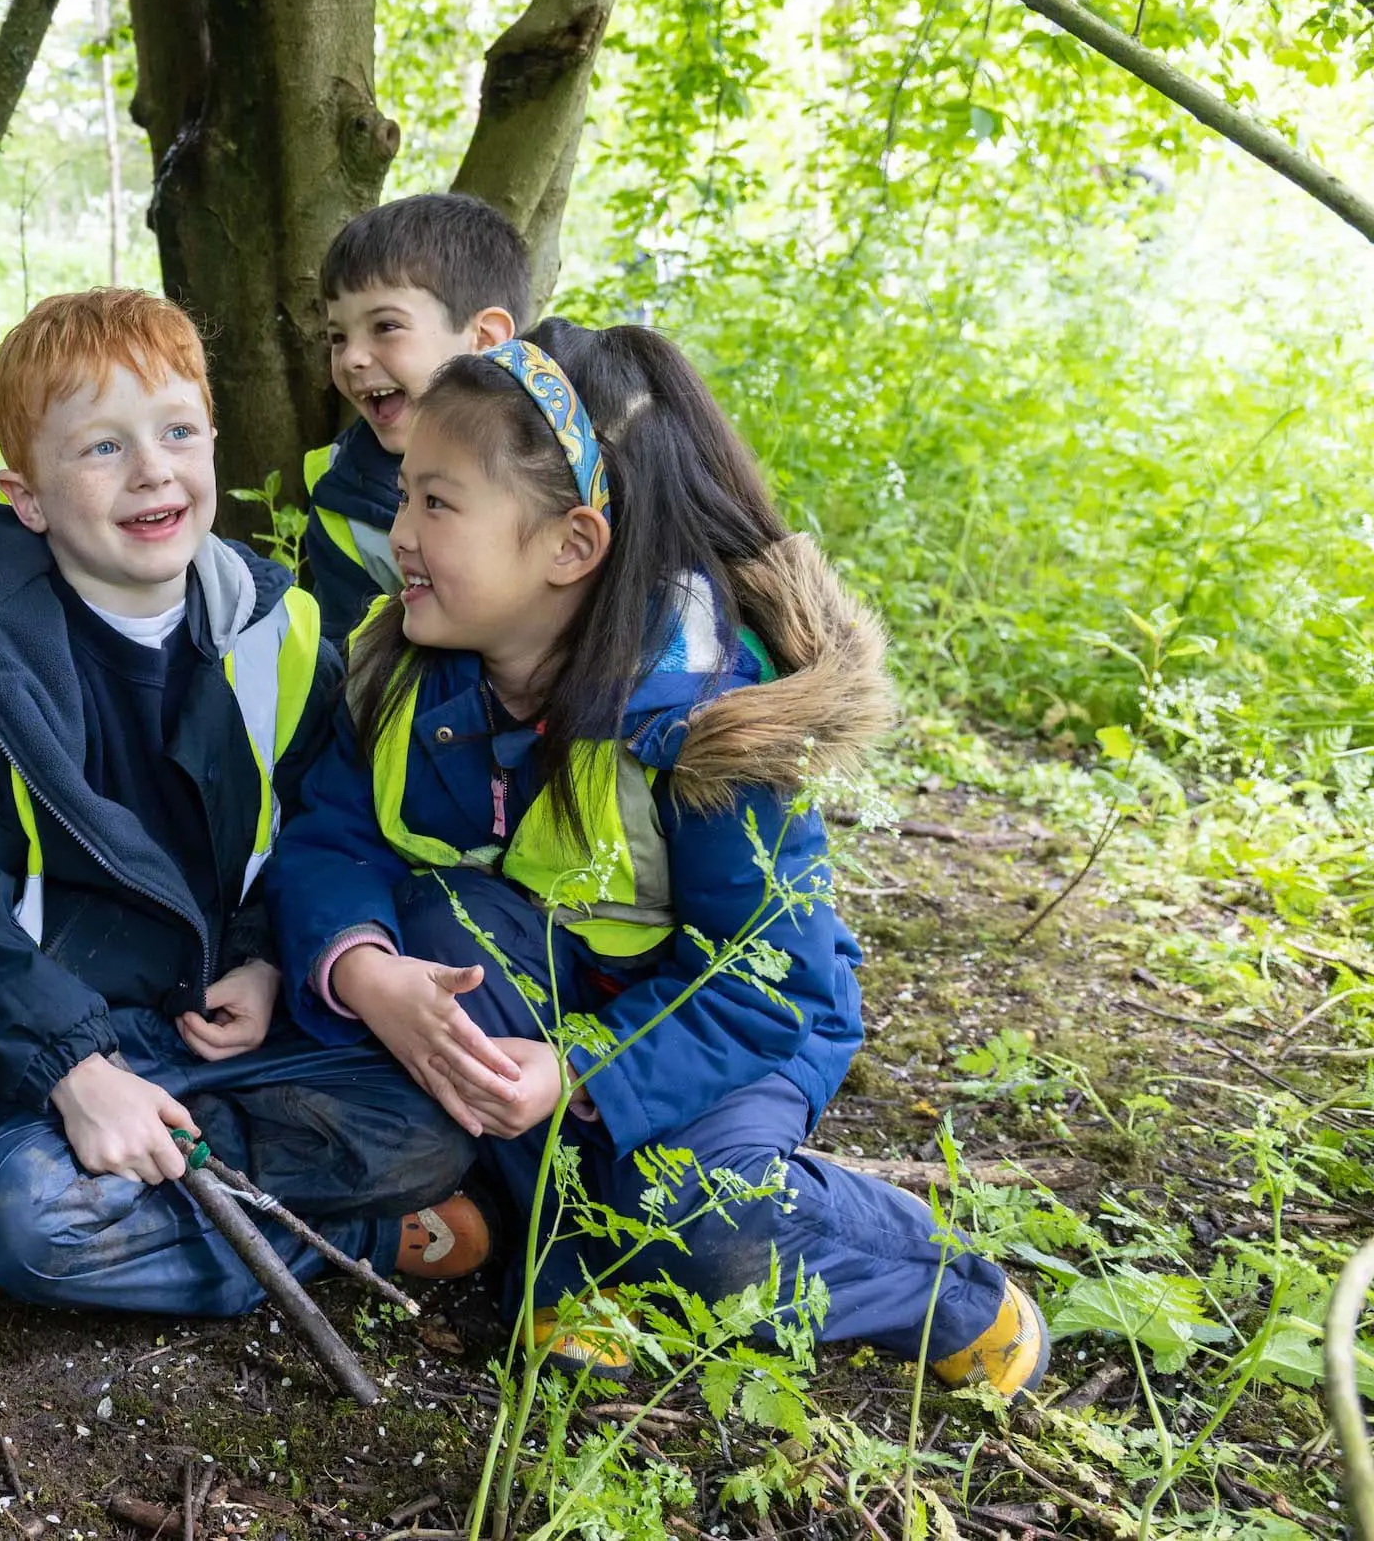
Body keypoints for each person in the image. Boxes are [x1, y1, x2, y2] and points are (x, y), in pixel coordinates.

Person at [268, 326, 1050, 1395]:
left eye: (437, 505)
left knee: (693, 1222)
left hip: (728, 1034)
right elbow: (332, 836)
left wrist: (579, 1067)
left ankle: (936, 1285)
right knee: (429, 921)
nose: (400, 532)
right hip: (547, 997)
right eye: (404, 497)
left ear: (570, 548)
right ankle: (565, 1257)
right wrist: (362, 965)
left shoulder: (707, 720)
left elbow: (759, 981)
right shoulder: (404, 669)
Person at [0, 287, 483, 1317]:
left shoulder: (283, 637)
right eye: (101, 449)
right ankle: (361, 1234)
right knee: (26, 1221)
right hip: (65, 1045)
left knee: (432, 1124)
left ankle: (210, 1196)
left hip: (235, 1048)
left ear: (211, 442)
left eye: (174, 432)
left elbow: (315, 838)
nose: (152, 469)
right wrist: (76, 1070)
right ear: (25, 496)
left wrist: (261, 958)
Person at [304, 193, 530, 639]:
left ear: (484, 339)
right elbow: (349, 660)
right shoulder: (341, 500)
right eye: (337, 336)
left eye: (385, 326)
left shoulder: (571, 462)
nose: (351, 358)